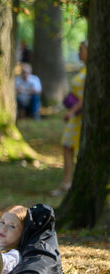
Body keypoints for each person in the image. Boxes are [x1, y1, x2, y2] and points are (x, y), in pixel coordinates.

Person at [53, 41, 88, 196]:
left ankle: (68, 182)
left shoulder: (90, 72)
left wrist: (72, 111)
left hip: (79, 116)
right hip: (76, 116)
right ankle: (67, 181)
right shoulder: (84, 69)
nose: (79, 52)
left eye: (82, 49)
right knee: (67, 147)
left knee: (71, 147)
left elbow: (85, 97)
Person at [0, 205, 27, 274]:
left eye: (12, 226)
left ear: (23, 233)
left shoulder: (14, 255)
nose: (3, 229)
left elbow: (1, 265)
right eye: (2, 222)